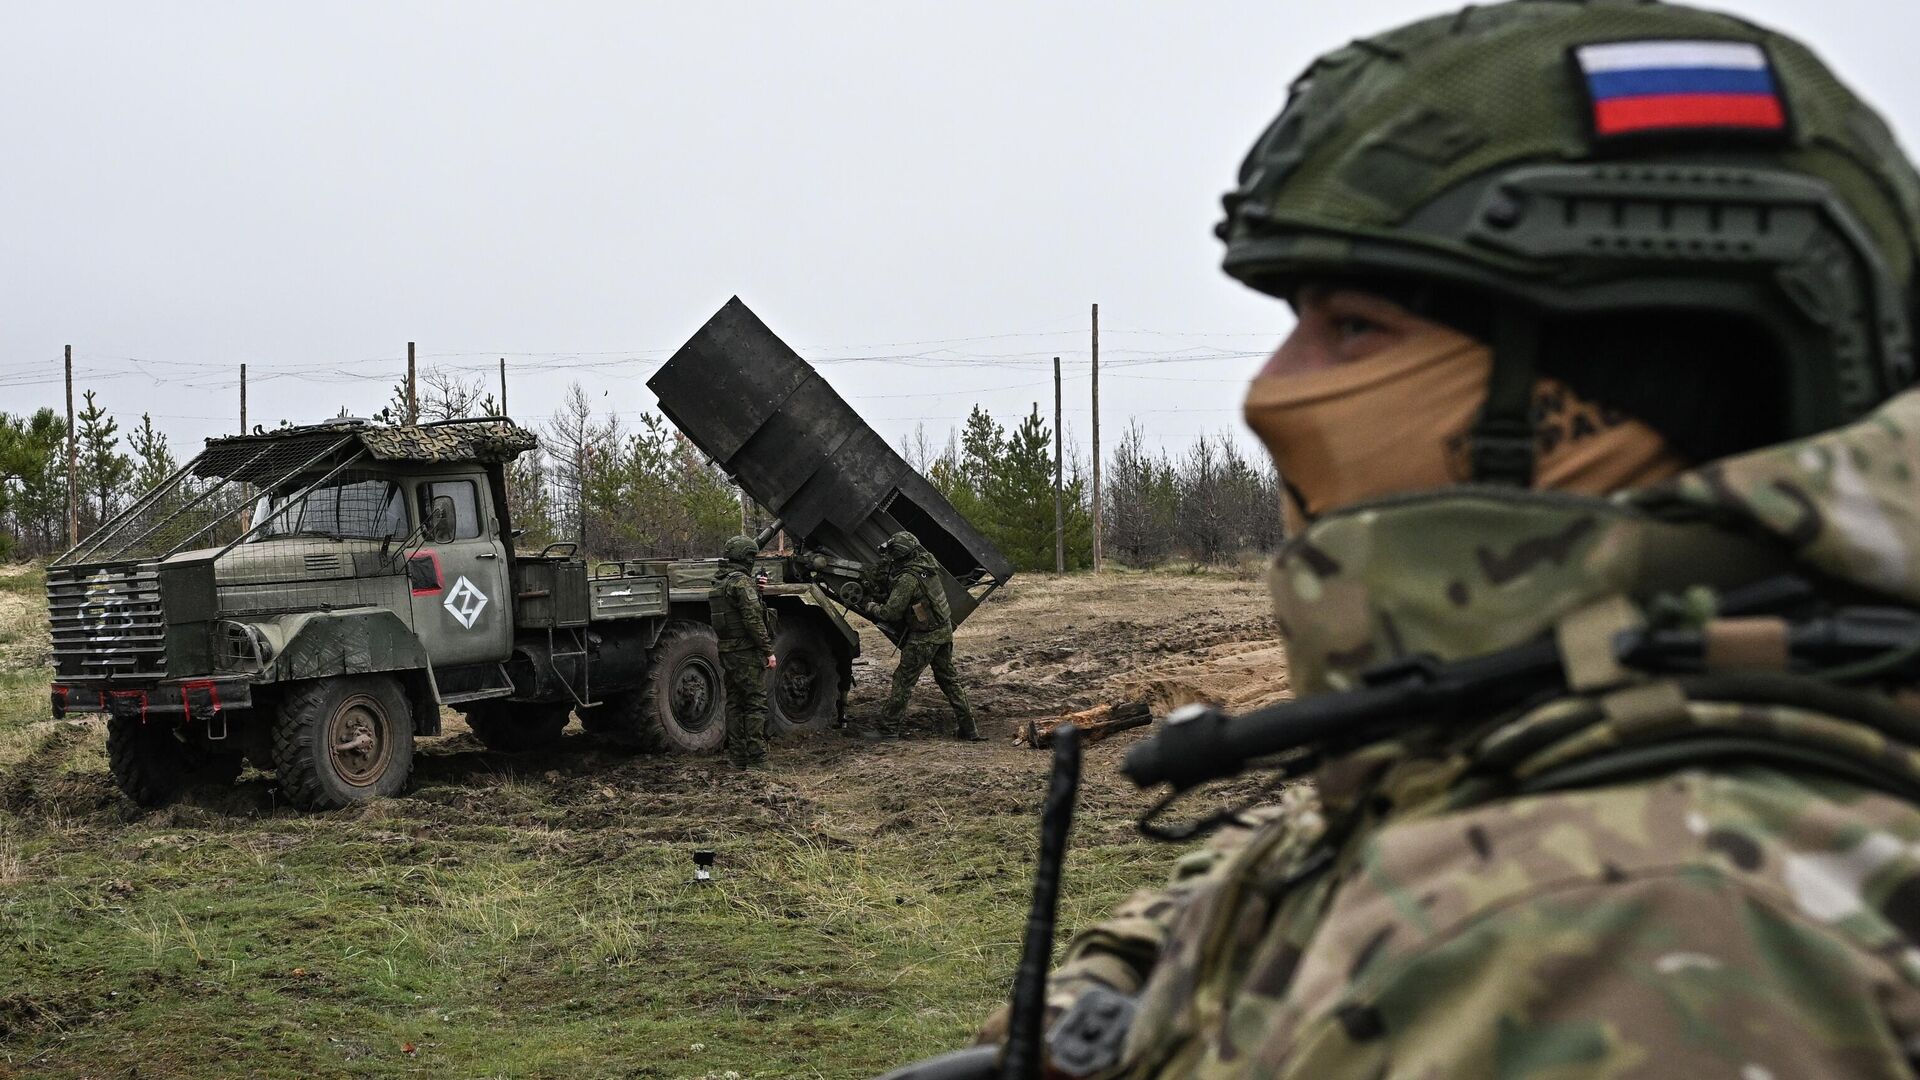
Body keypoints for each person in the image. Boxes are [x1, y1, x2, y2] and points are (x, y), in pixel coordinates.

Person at [975, 1, 1920, 1075]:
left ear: (1637, 390)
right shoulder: (1597, 718)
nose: (1267, 394)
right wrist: (1111, 995)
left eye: (1355, 328)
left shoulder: (1614, 939)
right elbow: (1332, 837)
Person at [862, 531, 982, 741]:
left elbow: (890, 613)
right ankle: (969, 729)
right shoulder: (928, 566)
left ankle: (888, 729)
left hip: (924, 638)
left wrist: (871, 606)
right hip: (944, 631)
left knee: (903, 681)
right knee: (949, 681)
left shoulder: (908, 579)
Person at [708, 534, 775, 769]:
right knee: (755, 702)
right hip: (746, 651)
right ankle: (758, 758)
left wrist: (757, 589)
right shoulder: (741, 583)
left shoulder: (721, 581)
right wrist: (768, 650)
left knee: (735, 703)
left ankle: (738, 758)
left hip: (727, 650)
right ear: (746, 557)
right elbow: (753, 620)